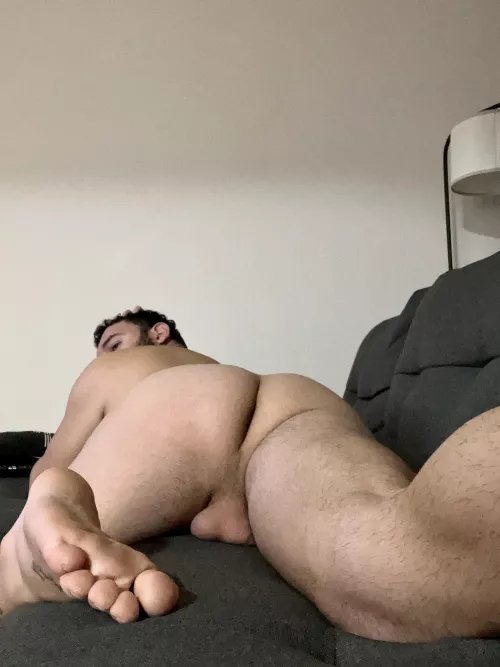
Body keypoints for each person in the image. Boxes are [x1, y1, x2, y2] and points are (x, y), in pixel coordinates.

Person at [2, 308, 500, 641]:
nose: (103, 354)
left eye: (112, 341)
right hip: (295, 403)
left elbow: (52, 461)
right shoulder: (217, 365)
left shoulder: (115, 369)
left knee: (9, 569)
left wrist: (47, 476)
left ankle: (26, 557)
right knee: (397, 552)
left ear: (158, 333)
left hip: (176, 413)